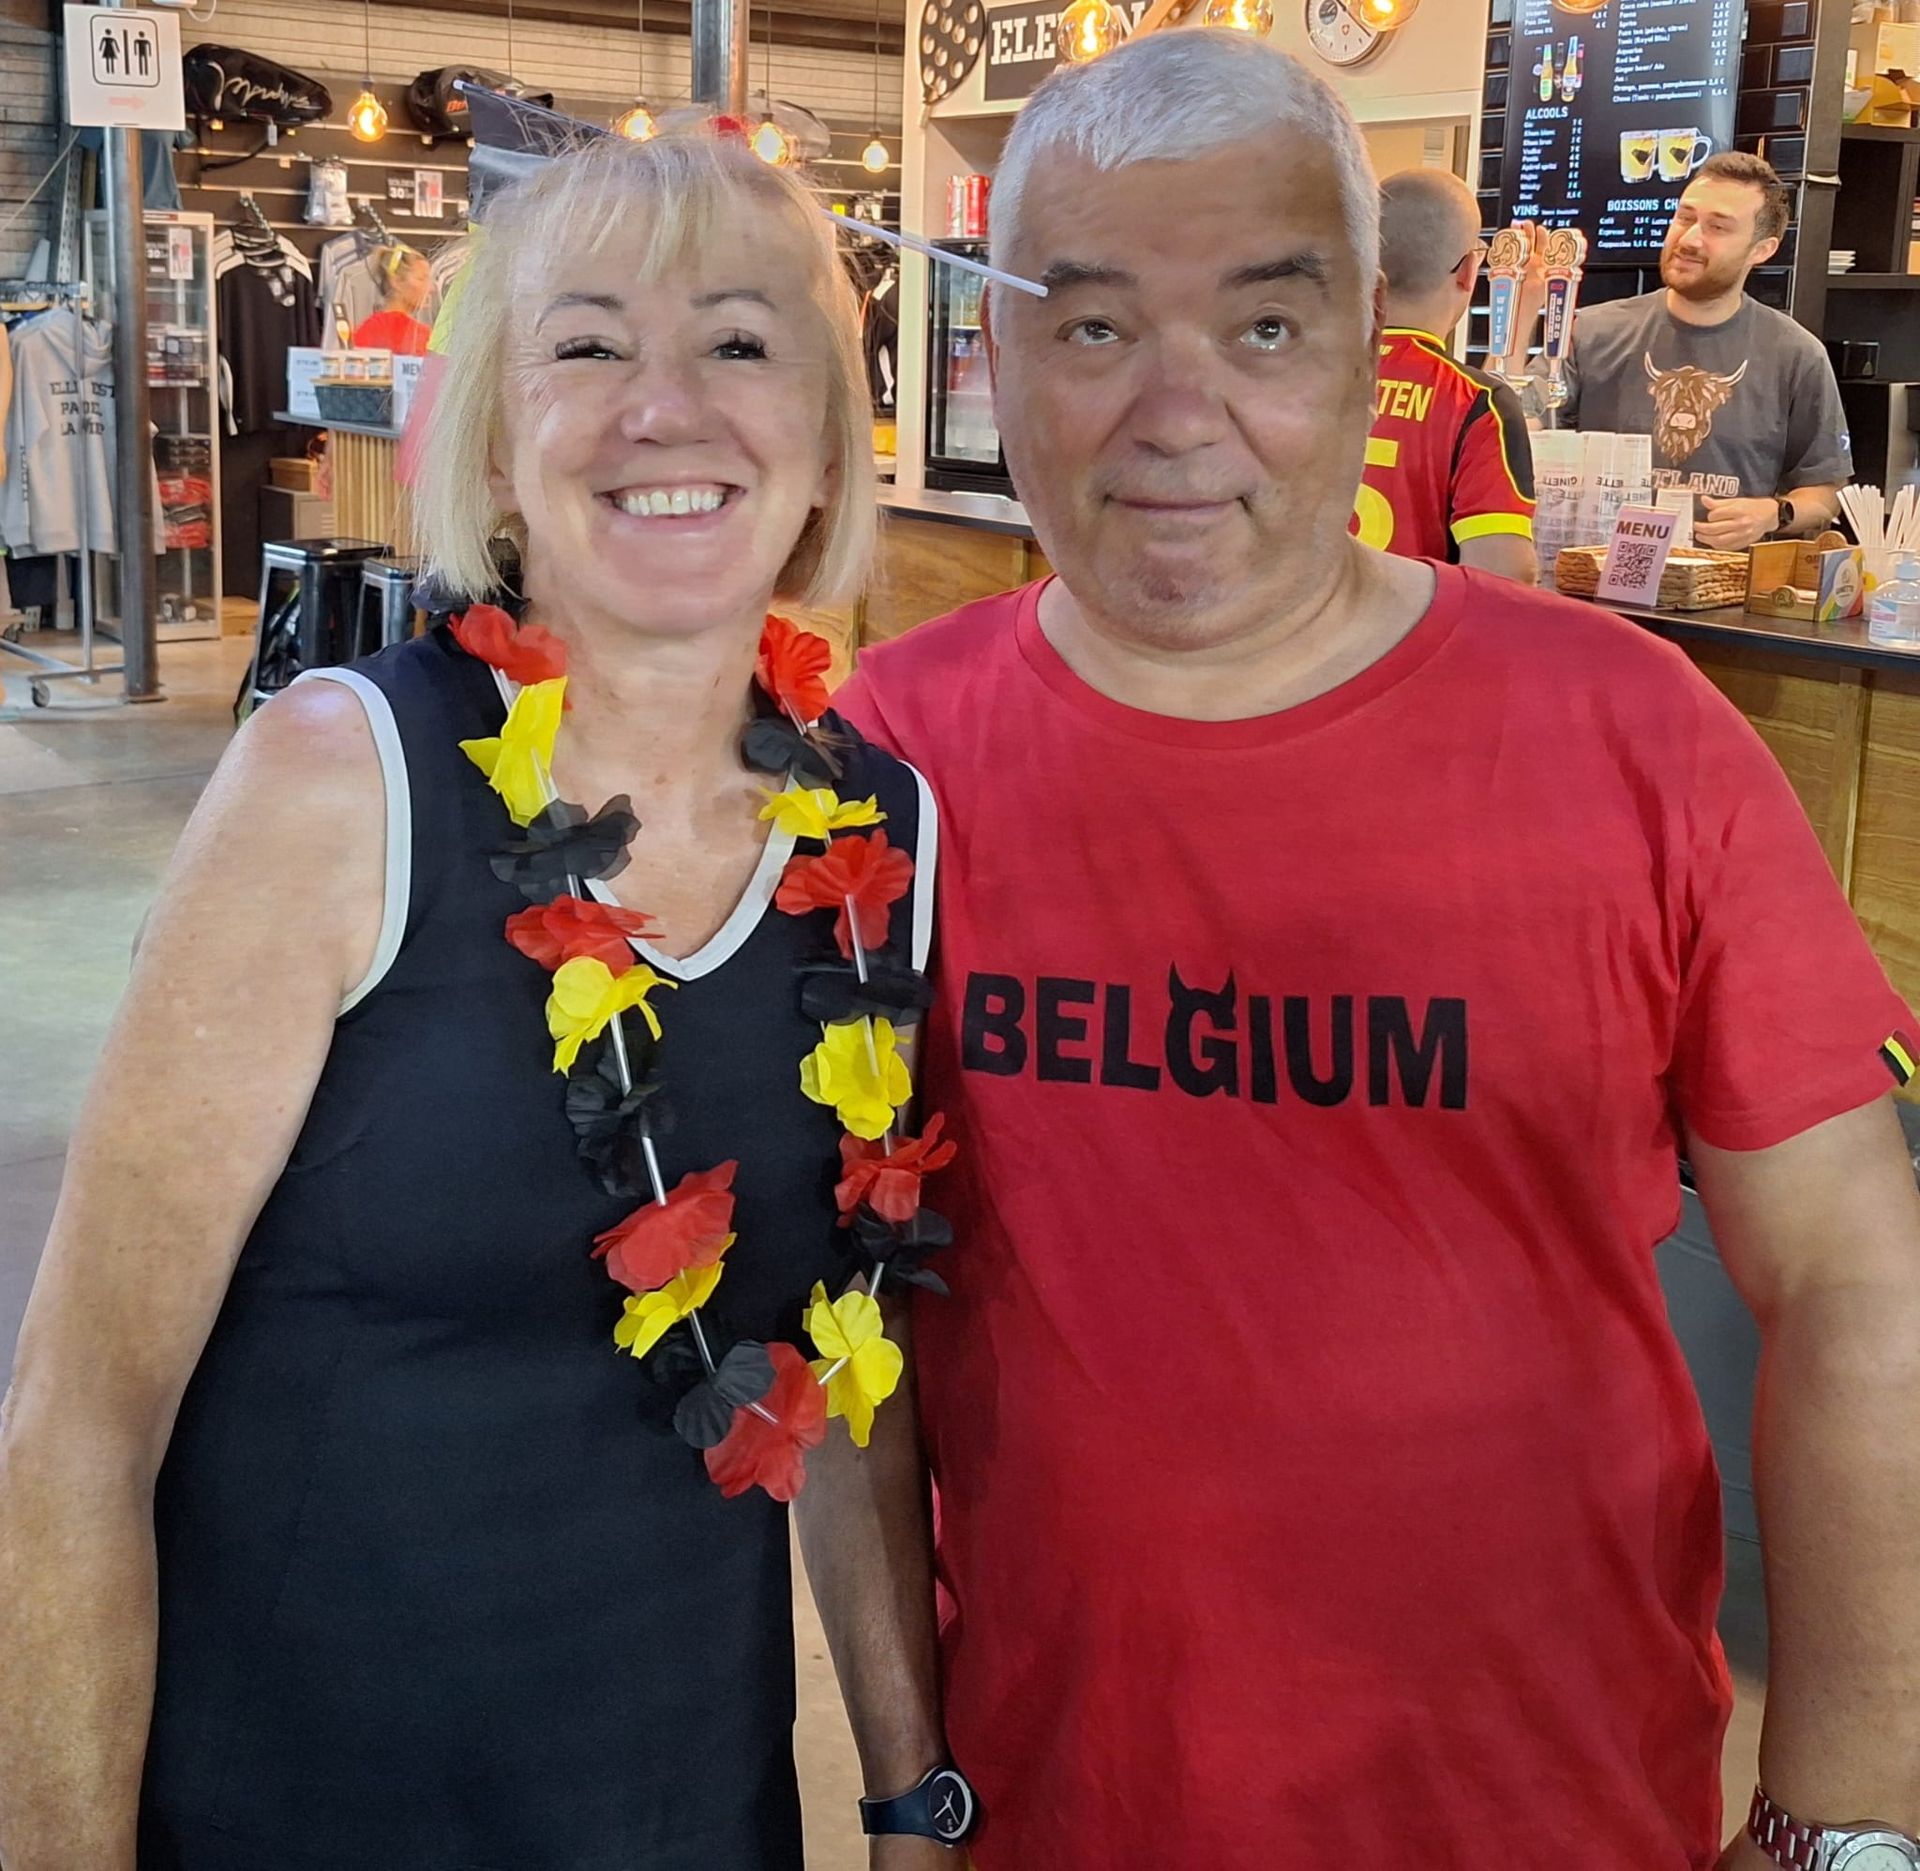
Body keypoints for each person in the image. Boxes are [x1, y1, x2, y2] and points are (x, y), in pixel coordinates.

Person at [839, 29, 1920, 1871]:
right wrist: (902, 1788)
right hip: (1061, 1804)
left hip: (1554, 1815)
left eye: (1263, 326)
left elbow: (1853, 1280)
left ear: (1372, 349)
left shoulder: (1633, 734)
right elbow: (832, 1312)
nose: (1176, 413)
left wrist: (1848, 1819)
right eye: (1093, 326)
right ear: (996, 354)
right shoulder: (883, 756)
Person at [0, 133, 959, 1871]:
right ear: (500, 446)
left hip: (690, 1811)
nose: (665, 407)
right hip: (297, 1813)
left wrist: (911, 1793)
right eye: (588, 345)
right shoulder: (339, 780)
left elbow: (849, 1379)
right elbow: (78, 1428)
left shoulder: (882, 832)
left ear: (828, 441)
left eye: (740, 342)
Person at [1536, 151, 1852, 550]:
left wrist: (1773, 513)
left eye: (1718, 227)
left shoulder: (1796, 355)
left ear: (1762, 249)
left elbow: (1825, 491)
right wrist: (1522, 310)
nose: (1688, 239)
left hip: (1723, 582)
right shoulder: (1589, 332)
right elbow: (1520, 426)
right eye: (1685, 218)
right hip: (1592, 572)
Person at [1354, 167, 1536, 583]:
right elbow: (1502, 576)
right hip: (1414, 624)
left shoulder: (1304, 380)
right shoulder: (1478, 402)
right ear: (1468, 271)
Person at [350, 243, 434, 354]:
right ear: (397, 282)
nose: (431, 288)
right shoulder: (421, 337)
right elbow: (436, 366)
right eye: (421, 279)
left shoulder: (364, 331)